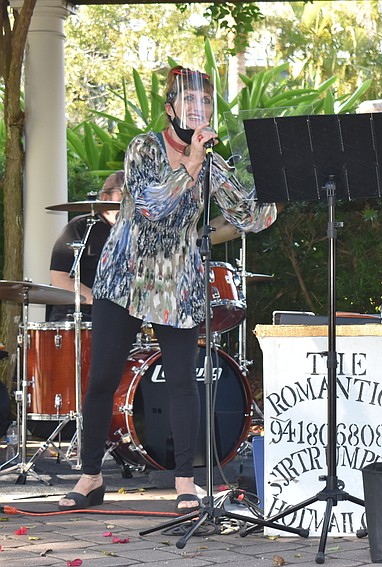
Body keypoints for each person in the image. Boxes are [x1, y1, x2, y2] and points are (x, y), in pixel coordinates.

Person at [58, 66, 277, 512]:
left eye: (207, 104)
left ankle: (184, 482)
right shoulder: (143, 148)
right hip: (125, 274)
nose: (200, 111)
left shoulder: (214, 162)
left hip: (177, 279)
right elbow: (152, 206)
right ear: (171, 108)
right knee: (102, 377)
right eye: (191, 102)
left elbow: (250, 218)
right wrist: (192, 164)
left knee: (183, 379)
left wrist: (278, 183)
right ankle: (90, 477)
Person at [47, 171, 124, 322]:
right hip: (80, 315)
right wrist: (99, 301)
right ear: (104, 197)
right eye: (124, 193)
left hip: (120, 316)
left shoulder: (134, 232)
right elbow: (60, 278)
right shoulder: (81, 227)